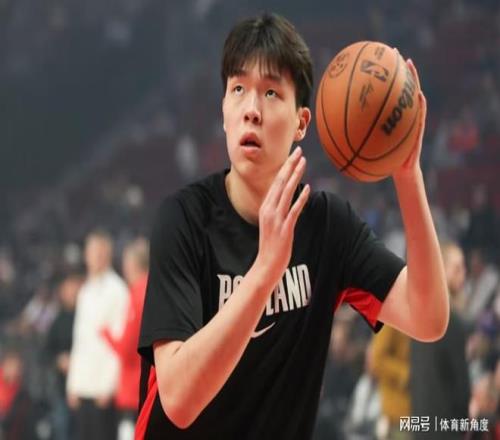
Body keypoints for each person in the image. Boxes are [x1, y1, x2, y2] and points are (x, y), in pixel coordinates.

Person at [137, 13, 449, 439]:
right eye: (238, 89)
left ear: (302, 122)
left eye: (271, 92)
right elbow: (178, 401)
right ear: (223, 111)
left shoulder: (327, 226)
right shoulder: (184, 219)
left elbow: (429, 318)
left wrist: (408, 175)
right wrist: (265, 271)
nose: (251, 110)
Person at [66, 230, 128, 440]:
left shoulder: (117, 290)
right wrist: (73, 383)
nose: (95, 257)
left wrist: (109, 386)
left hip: (102, 388)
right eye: (91, 252)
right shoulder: (85, 291)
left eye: (99, 252)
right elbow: (79, 339)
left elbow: (119, 342)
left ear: (107, 254)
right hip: (83, 384)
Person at [410, 242, 470, 440]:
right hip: (446, 430)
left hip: (421, 427)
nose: (463, 274)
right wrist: (463, 422)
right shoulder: (452, 322)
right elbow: (461, 385)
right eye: (457, 268)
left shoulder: (418, 316)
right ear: (440, 268)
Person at [101, 237, 149, 440]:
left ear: (132, 264)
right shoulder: (153, 288)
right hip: (147, 385)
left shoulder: (138, 294)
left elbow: (128, 349)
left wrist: (106, 334)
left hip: (134, 387)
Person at [45, 272, 83, 440]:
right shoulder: (57, 320)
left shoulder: (87, 316)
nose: (72, 293)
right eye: (68, 289)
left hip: (86, 387)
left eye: (75, 288)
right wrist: (59, 360)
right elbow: (47, 352)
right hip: (62, 387)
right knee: (63, 430)